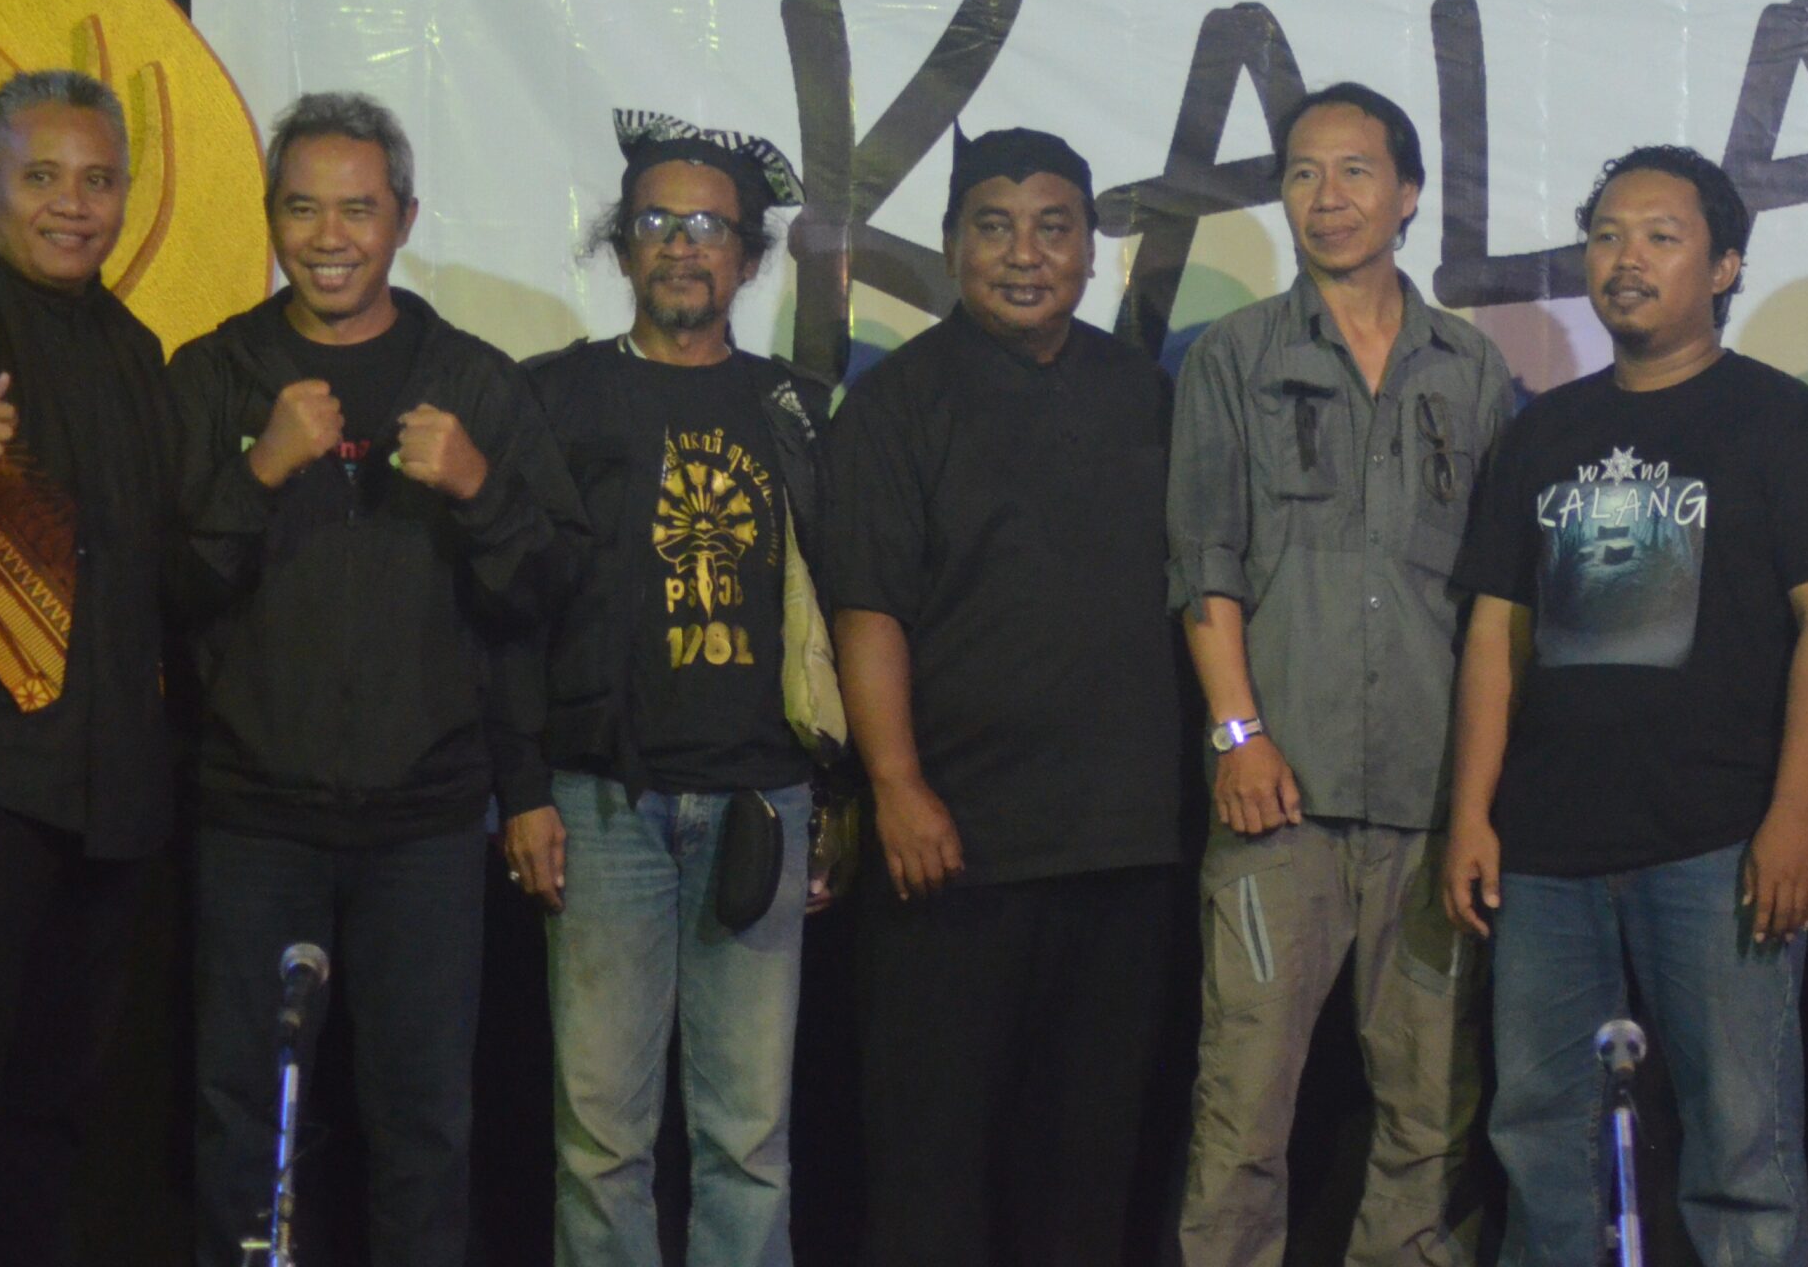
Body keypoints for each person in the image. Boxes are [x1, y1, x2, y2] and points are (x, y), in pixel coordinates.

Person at [171, 92, 587, 1267]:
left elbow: (546, 592)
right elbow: (167, 594)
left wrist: (479, 488)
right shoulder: (214, 375)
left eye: (357, 209)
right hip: (255, 818)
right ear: (270, 218)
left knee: (424, 1126)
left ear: (404, 219)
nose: (330, 237)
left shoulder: (474, 382)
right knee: (243, 1118)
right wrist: (257, 473)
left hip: (427, 827)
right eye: (303, 208)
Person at [1443, 145, 1808, 1267]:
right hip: (1544, 852)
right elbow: (1495, 634)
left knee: (1743, 1152)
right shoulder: (1542, 432)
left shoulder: (1782, 423)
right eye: (1606, 236)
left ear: (1724, 268)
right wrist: (1472, 812)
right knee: (1541, 1141)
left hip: (1717, 844)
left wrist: (1794, 815)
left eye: (1660, 237)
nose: (1625, 259)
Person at [826, 125, 1182, 1267]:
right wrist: (896, 784)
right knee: (933, 1170)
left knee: (1086, 1172)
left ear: (1090, 250)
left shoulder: (1145, 395)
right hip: (953, 851)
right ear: (949, 246)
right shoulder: (895, 404)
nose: (1025, 255)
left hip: (1122, 850)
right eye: (994, 227)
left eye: (1052, 228)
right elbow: (866, 611)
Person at [1171, 82, 1513, 1267]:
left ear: (1407, 194)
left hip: (1429, 803)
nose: (1327, 197)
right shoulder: (1234, 357)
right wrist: (1237, 734)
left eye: (1355, 171)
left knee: (1430, 1116)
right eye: (1304, 173)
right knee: (1242, 1110)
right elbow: (1203, 564)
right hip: (1280, 800)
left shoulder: (1472, 370)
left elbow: (1496, 607)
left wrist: (1477, 800)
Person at [511, 111, 842, 1267]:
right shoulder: (551, 399)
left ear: (748, 257)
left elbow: (839, 612)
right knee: (600, 1138)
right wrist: (522, 788)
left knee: (748, 1139)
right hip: (601, 803)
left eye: (709, 227)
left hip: (764, 802)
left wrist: (836, 797)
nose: (682, 246)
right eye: (657, 221)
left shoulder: (799, 410)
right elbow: (508, 613)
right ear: (621, 244)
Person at [0, 70, 177, 1265]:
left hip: (110, 793)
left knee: (56, 1104)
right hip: (0, 784)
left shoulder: (136, 351)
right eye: (42, 177)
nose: (73, 205)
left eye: (99, 180)